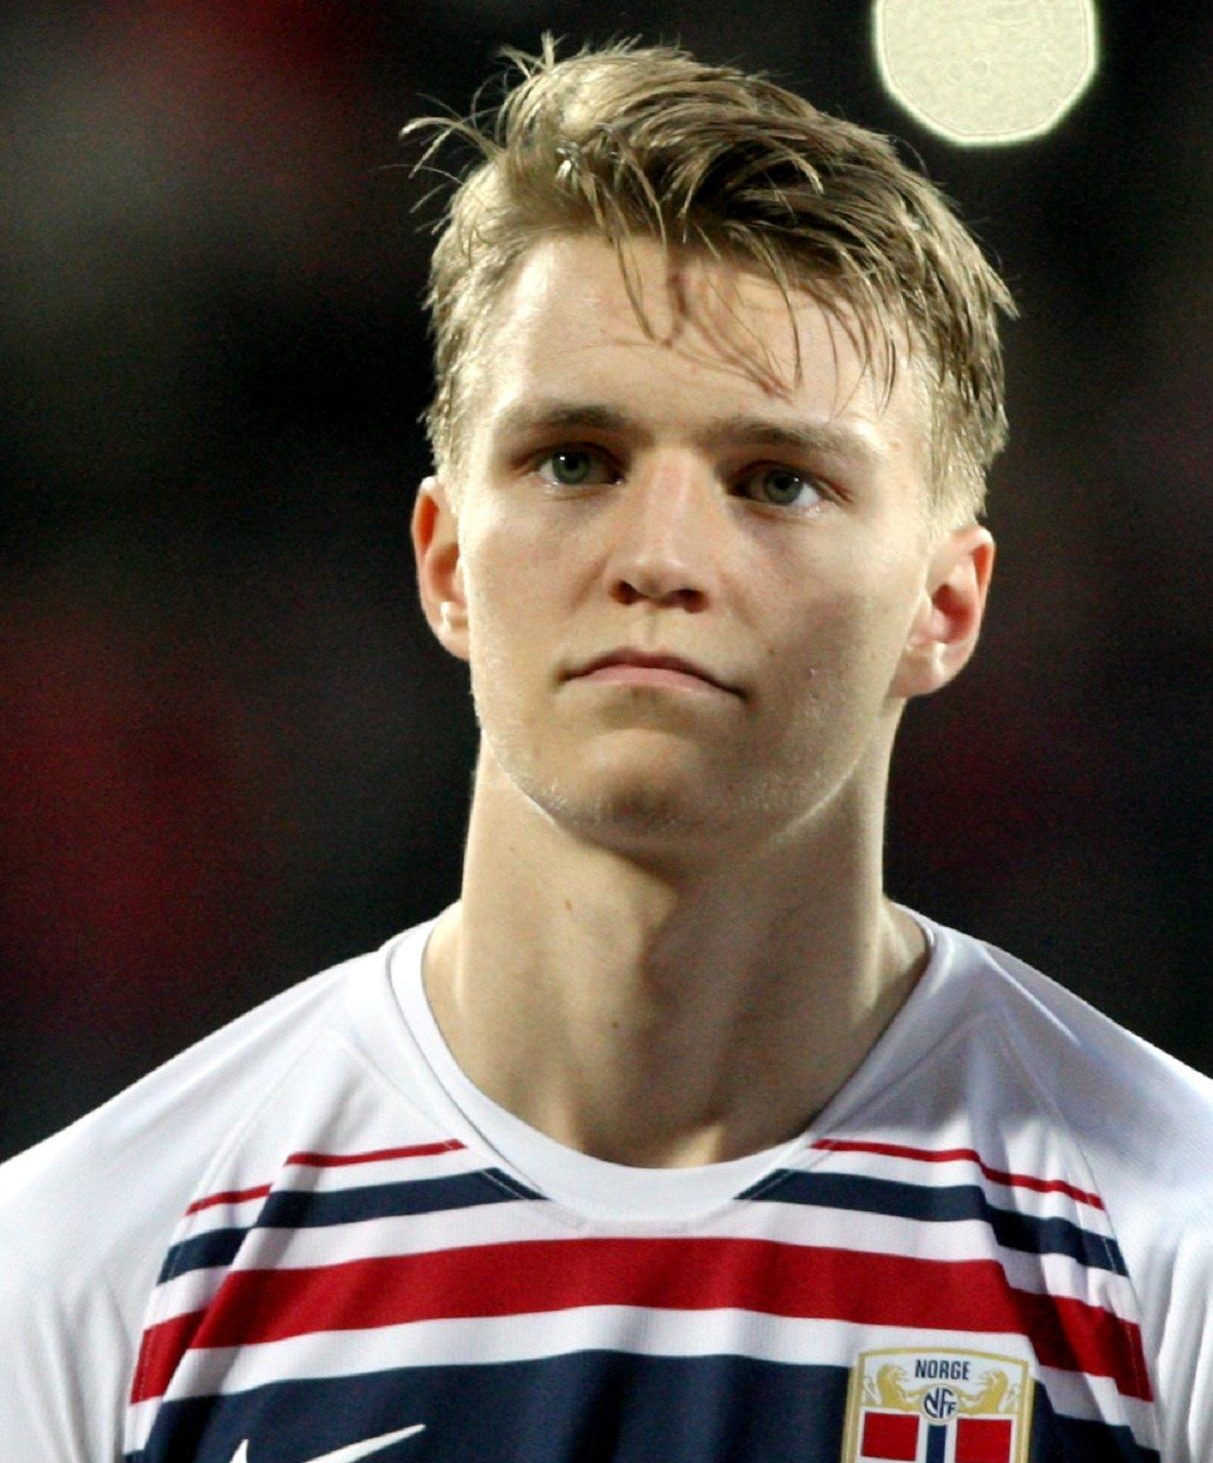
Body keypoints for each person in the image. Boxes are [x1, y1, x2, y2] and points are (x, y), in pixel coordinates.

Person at [1, 38, 1209, 1463]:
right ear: (446, 561)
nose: (661, 557)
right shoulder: (83, 1269)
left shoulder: (1172, 1246)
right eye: (574, 460)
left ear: (943, 607)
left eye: (777, 481)